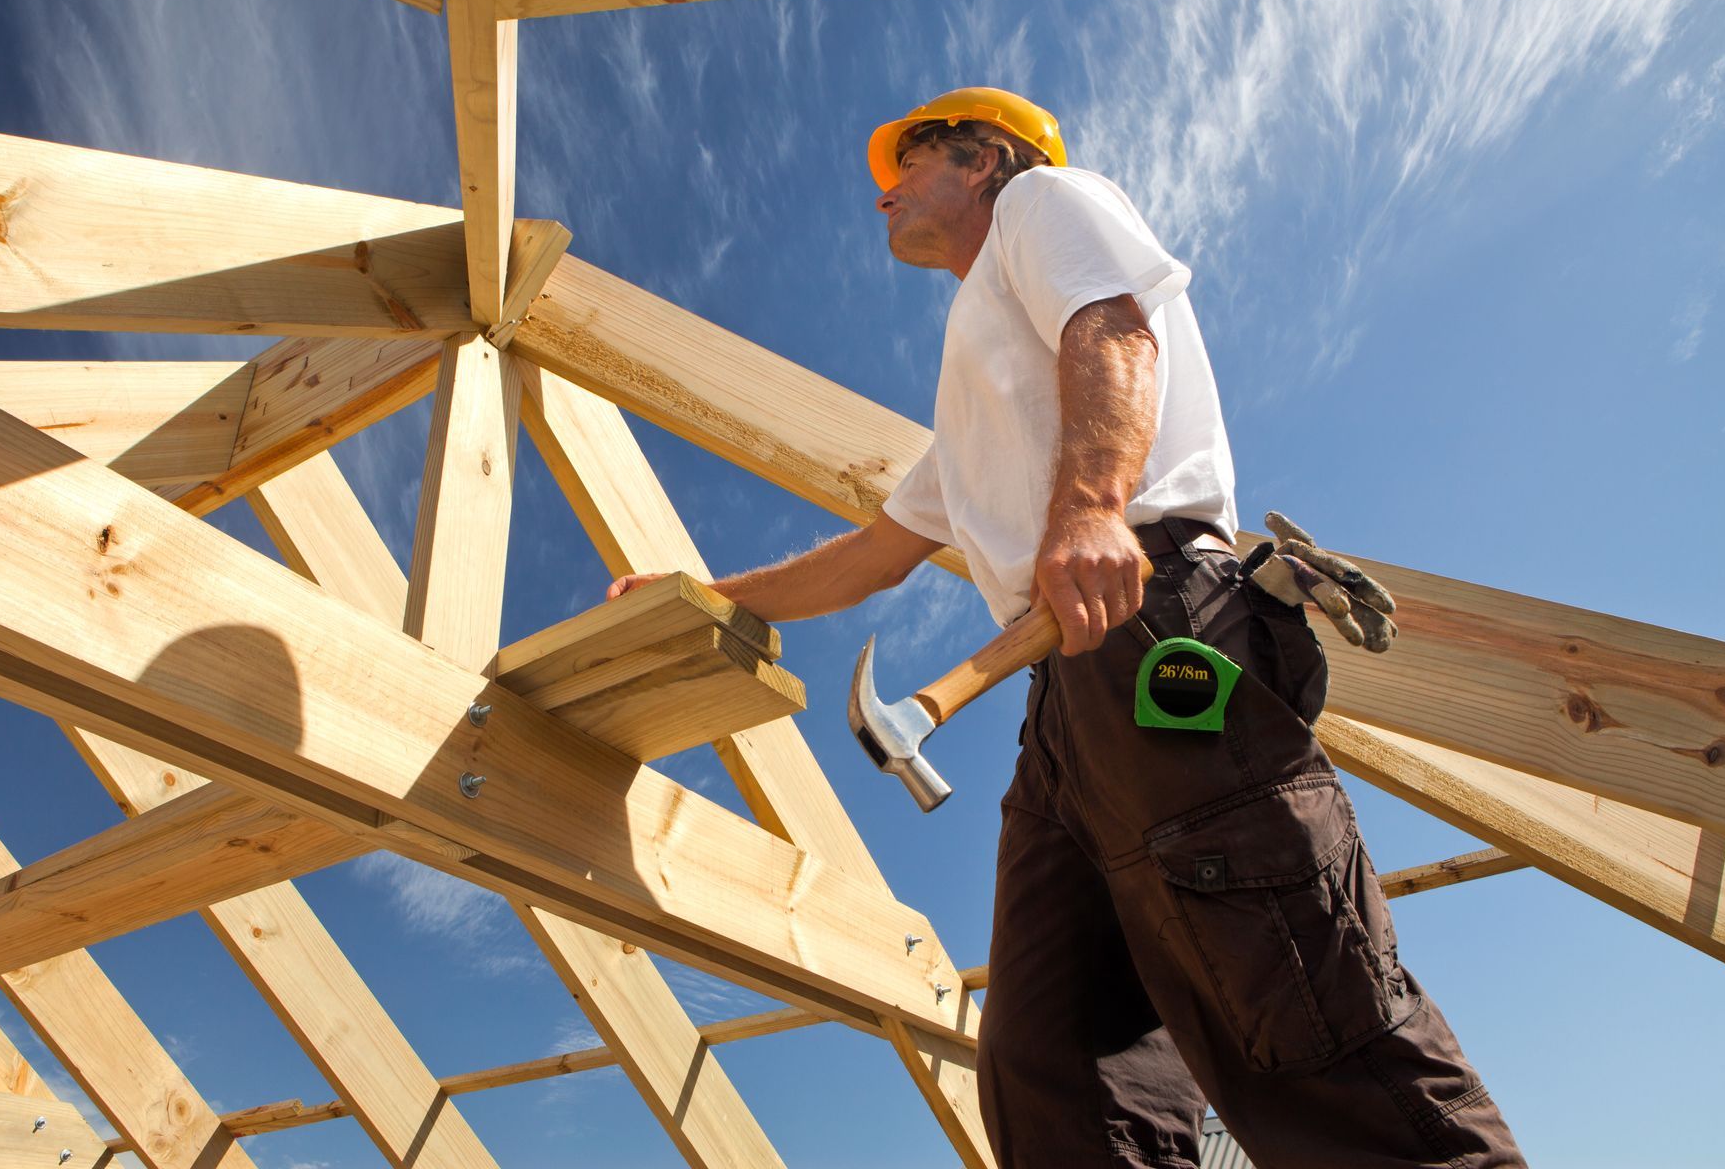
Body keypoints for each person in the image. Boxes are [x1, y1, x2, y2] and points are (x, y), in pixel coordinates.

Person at [609, 87, 1524, 1168]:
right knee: (1053, 1066)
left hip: (1152, 627)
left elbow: (1116, 326)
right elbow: (868, 557)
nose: (882, 194)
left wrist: (1092, 500)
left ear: (983, 156)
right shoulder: (978, 389)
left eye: (905, 166)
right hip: (1061, 712)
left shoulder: (1045, 203)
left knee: (1293, 1005)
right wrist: (712, 590)